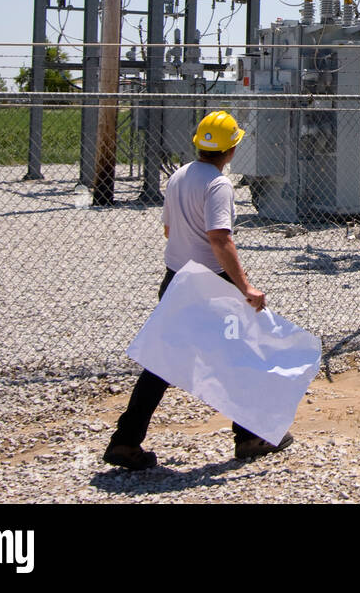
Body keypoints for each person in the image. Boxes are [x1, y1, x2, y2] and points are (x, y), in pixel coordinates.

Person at [103, 110, 294, 470]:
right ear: (232, 148)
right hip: (209, 285)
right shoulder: (218, 185)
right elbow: (220, 238)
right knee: (241, 353)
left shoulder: (178, 176)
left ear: (199, 144)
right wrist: (246, 287)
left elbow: (168, 230)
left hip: (176, 279)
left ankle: (125, 442)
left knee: (162, 364)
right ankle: (251, 437)